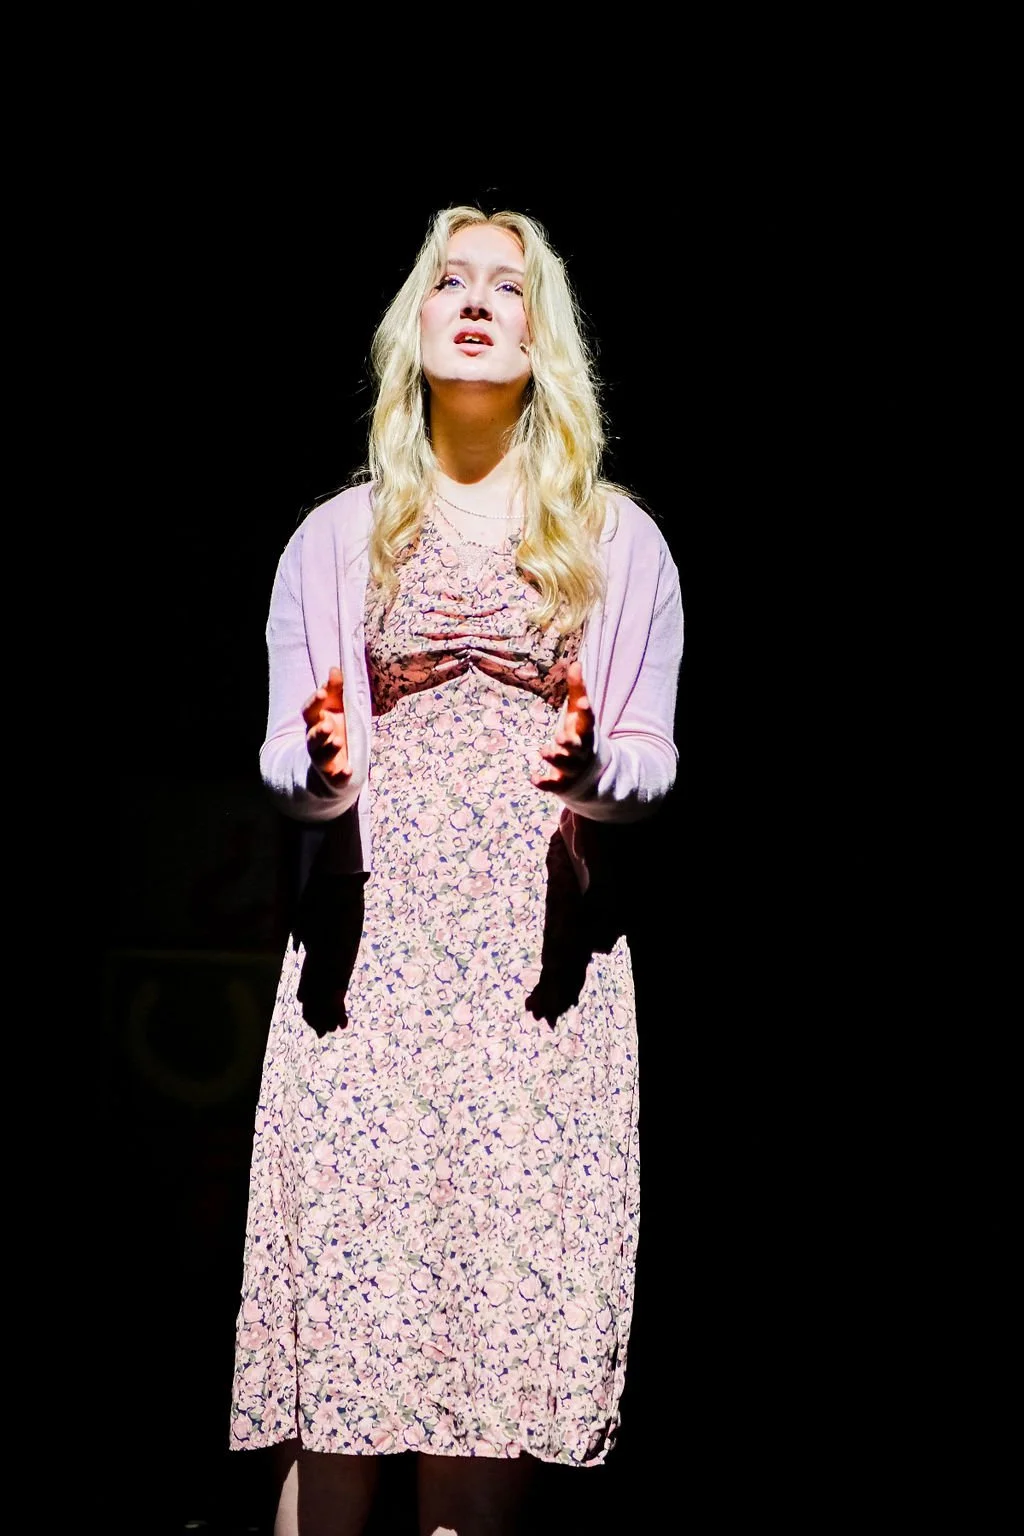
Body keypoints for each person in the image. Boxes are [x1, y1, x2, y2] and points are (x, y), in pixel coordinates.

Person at [230, 204, 684, 1536]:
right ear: (413, 326)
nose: (476, 301)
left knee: (485, 1377)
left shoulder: (619, 542)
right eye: (450, 281)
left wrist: (594, 771)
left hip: (535, 993)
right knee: (345, 1363)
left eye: (508, 286)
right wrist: (322, 774)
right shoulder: (336, 536)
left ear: (545, 339)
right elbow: (287, 752)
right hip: (368, 981)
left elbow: (653, 757)